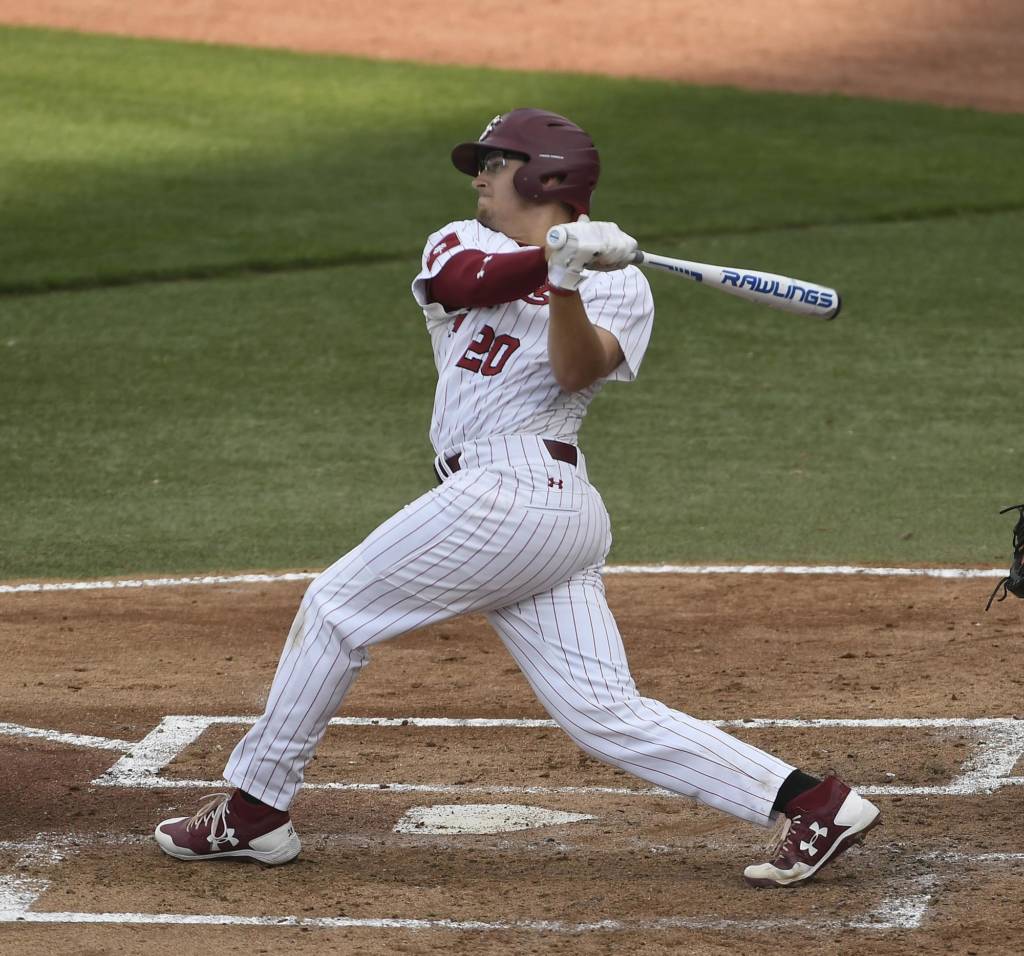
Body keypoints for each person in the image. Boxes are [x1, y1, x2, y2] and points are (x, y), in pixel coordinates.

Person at [155, 108, 880, 888]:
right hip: (517, 509)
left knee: (335, 608)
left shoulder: (626, 283)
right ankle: (816, 803)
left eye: (495, 164)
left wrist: (571, 280)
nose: (479, 176)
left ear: (545, 176)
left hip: (521, 495)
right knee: (604, 713)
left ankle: (256, 809)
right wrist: (556, 260)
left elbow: (576, 370)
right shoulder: (460, 241)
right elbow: (462, 283)